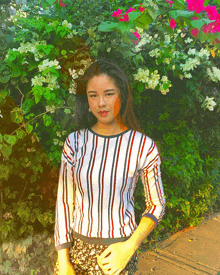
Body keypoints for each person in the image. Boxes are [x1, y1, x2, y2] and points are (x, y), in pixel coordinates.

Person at [53, 59, 166, 275]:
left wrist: (129, 247)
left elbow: (157, 204)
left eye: (109, 93)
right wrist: (63, 260)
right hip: (76, 252)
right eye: (93, 95)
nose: (101, 103)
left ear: (121, 95)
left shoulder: (143, 146)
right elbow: (64, 203)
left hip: (118, 253)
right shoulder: (74, 143)